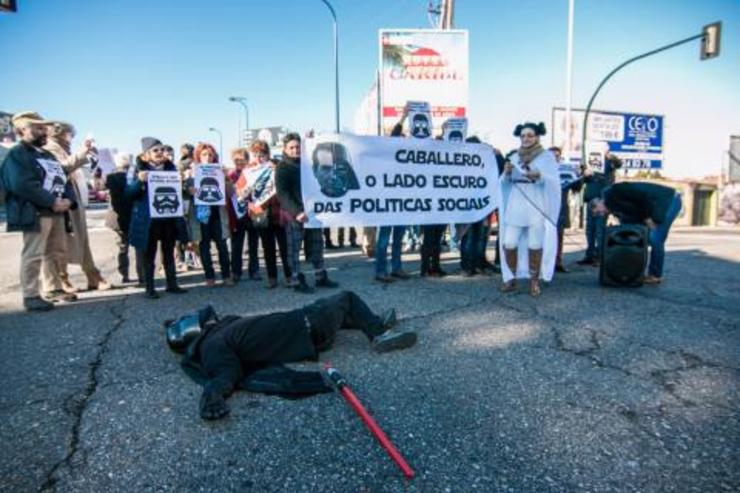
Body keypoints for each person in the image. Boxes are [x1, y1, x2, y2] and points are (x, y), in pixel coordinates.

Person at [165, 291, 418, 420]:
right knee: (347, 298)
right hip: (308, 325)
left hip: (306, 326)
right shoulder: (213, 346)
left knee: (335, 310)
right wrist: (213, 395)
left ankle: (371, 321)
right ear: (195, 330)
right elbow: (225, 372)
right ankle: (379, 335)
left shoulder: (217, 332)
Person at [0, 112, 77, 311]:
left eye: (44, 128)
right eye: (38, 128)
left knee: (56, 252)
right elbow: (21, 184)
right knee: (33, 254)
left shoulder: (47, 154)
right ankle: (31, 295)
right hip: (35, 212)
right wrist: (52, 201)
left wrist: (68, 199)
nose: (44, 132)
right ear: (22, 130)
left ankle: (53, 288)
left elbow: (63, 177)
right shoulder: (17, 154)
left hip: (56, 211)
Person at [43, 121, 111, 293]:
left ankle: (92, 275)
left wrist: (88, 157)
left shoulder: (64, 149)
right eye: (69, 134)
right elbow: (61, 169)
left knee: (82, 239)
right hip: (62, 200)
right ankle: (62, 278)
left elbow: (78, 171)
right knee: (63, 242)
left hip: (74, 199)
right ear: (58, 133)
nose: (71, 138)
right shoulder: (50, 148)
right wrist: (82, 154)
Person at [499, 122, 561, 297]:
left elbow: (554, 182)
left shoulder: (546, 157)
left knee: (535, 244)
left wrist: (540, 175)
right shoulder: (513, 156)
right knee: (509, 242)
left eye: (530, 135)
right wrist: (507, 173)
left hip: (536, 205)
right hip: (516, 205)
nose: (526, 139)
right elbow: (503, 182)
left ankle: (534, 281)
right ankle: (510, 278)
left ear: (537, 137)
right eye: (523, 136)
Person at [275, 132, 338, 293]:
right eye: (292, 147)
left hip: (312, 213)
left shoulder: (307, 164)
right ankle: (296, 279)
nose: (295, 150)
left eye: (298, 147)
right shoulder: (282, 167)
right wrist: (297, 212)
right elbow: (283, 194)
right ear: (285, 149)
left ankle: (320, 276)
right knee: (294, 249)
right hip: (295, 215)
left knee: (317, 245)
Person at [126, 137, 188, 298]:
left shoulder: (171, 168)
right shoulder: (137, 170)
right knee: (149, 254)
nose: (160, 153)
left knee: (168, 252)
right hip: (148, 220)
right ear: (146, 154)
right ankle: (150, 288)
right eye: (156, 150)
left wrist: (182, 183)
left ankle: (172, 284)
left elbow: (178, 193)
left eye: (162, 149)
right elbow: (128, 193)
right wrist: (139, 181)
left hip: (169, 218)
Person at [590, 182, 682, 284]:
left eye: (599, 211)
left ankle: (655, 275)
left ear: (600, 202)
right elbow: (629, 223)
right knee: (645, 238)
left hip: (669, 200)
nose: (602, 214)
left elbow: (643, 198)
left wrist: (648, 218)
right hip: (655, 206)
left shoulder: (617, 190)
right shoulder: (614, 207)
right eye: (599, 214)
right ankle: (636, 272)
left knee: (655, 238)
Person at [238, 140, 288, 289]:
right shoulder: (248, 171)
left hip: (279, 212)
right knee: (268, 247)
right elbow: (239, 192)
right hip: (260, 212)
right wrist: (245, 191)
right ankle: (272, 278)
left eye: (262, 155)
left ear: (268, 154)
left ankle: (289, 275)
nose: (259, 158)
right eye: (256, 155)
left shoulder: (276, 166)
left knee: (285, 247)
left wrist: (277, 170)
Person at [185, 143, 232, 287]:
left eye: (210, 155)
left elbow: (230, 193)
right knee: (204, 246)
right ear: (199, 156)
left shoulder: (220, 171)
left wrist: (225, 178)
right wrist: (189, 190)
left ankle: (226, 275)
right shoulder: (192, 173)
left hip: (217, 213)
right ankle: (209, 276)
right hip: (201, 215)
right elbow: (185, 194)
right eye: (204, 154)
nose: (208, 157)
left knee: (222, 245)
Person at [577, 153, 621, 266]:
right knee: (590, 230)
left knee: (600, 231)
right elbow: (583, 180)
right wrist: (583, 172)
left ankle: (600, 256)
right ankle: (590, 255)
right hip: (590, 200)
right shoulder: (590, 163)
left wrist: (610, 157)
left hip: (602, 202)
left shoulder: (608, 163)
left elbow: (618, 164)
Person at [105, 153, 142, 284]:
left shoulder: (110, 176)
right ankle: (141, 275)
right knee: (138, 246)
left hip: (117, 218)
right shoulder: (136, 174)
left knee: (122, 247)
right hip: (130, 215)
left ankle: (124, 275)